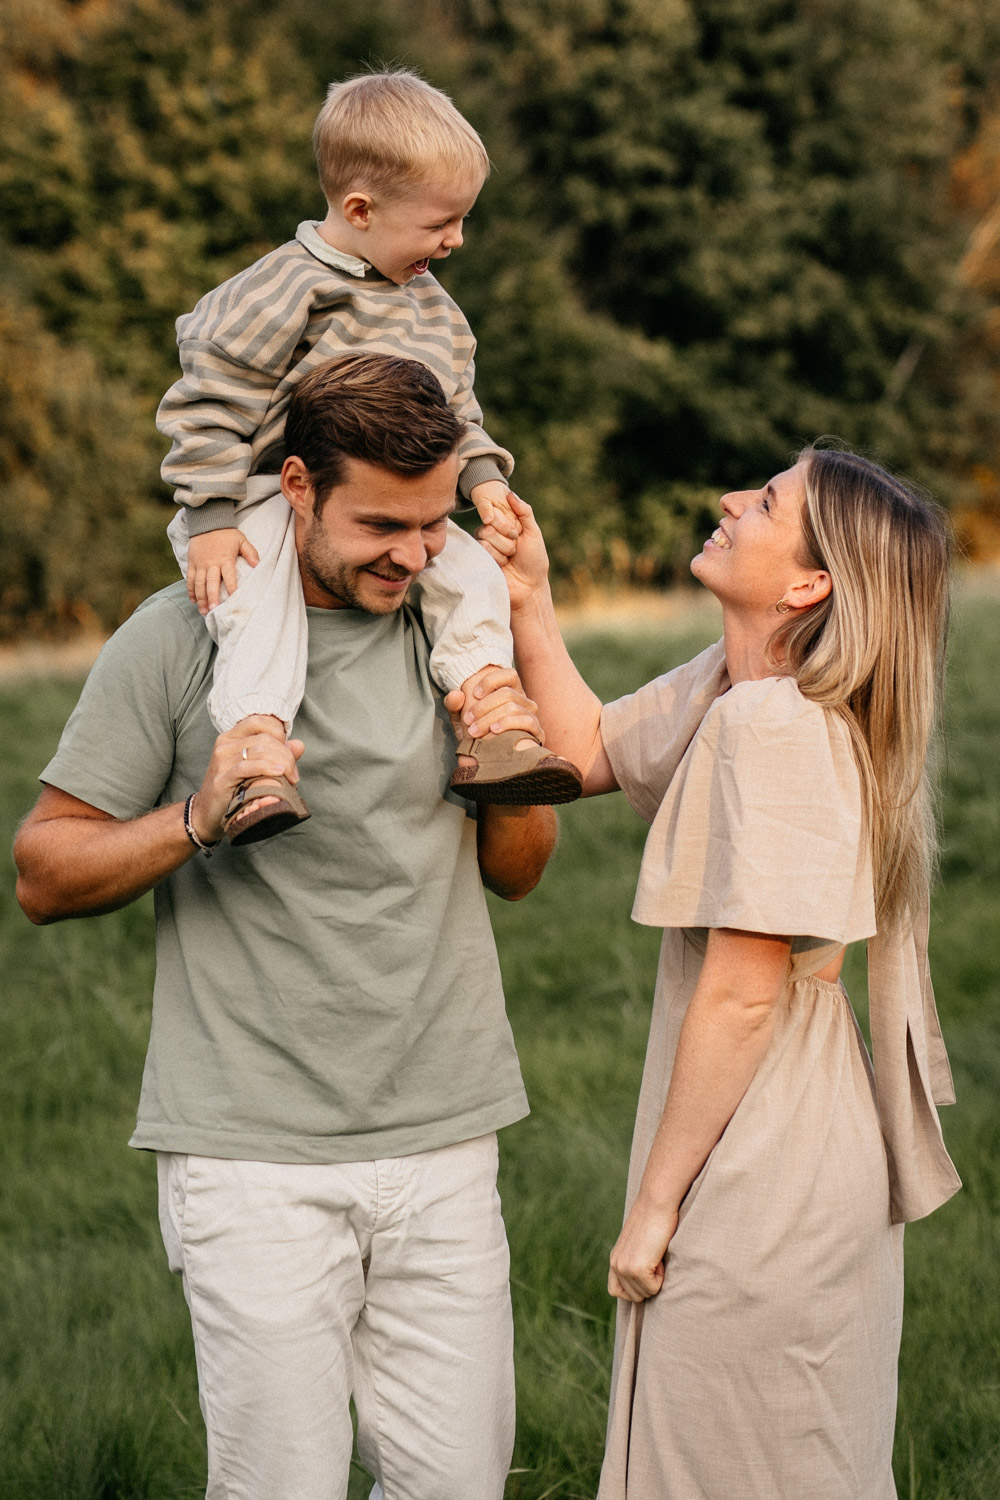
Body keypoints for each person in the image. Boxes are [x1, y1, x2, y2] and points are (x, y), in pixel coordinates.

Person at [14, 354, 559, 1500]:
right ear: (297, 487)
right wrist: (198, 819)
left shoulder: (454, 628)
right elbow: (43, 872)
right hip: (250, 1155)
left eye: (430, 523)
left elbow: (518, 874)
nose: (412, 554)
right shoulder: (179, 637)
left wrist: (503, 752)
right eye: (380, 524)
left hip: (446, 1135)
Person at [473, 447, 962, 1497]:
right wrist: (531, 600)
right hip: (782, 1129)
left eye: (768, 500)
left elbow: (743, 993)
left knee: (729, 1460)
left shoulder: (775, 724)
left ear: (807, 585)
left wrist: (652, 1208)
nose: (731, 502)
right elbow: (587, 749)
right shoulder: (733, 687)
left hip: (767, 1157)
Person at [157, 67, 581, 841]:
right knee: (256, 603)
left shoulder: (434, 311)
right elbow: (208, 399)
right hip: (267, 496)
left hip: (399, 508)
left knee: (475, 574)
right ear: (360, 209)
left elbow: (456, 409)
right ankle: (256, 759)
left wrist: (482, 479)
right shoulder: (283, 289)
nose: (455, 240)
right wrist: (212, 516)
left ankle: (493, 723)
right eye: (440, 223)